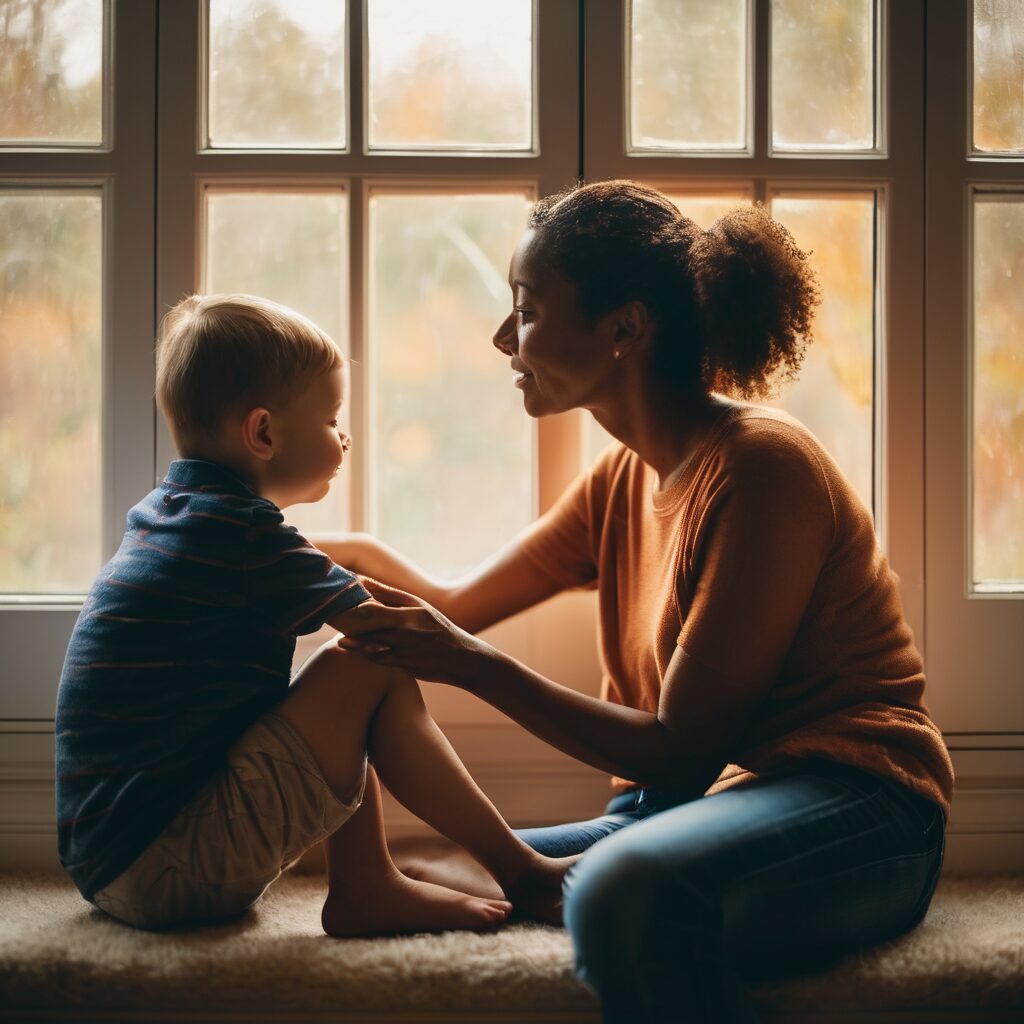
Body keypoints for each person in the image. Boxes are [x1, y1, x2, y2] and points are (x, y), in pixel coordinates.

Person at [316, 181, 955, 1023]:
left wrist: (464, 664)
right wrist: (273, 554)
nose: (504, 336)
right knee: (446, 872)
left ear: (625, 328)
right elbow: (450, 606)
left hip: (856, 806)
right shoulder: (621, 478)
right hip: (687, 806)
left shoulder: (763, 468)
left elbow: (677, 749)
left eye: (528, 308)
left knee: (622, 892)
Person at [54, 293, 575, 935]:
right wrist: (473, 654)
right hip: (173, 865)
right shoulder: (248, 537)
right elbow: (388, 629)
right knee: (366, 667)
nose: (345, 436)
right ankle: (514, 872)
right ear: (264, 433)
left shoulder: (174, 515)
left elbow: (320, 580)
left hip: (107, 863)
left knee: (335, 678)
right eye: (332, 418)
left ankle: (370, 883)